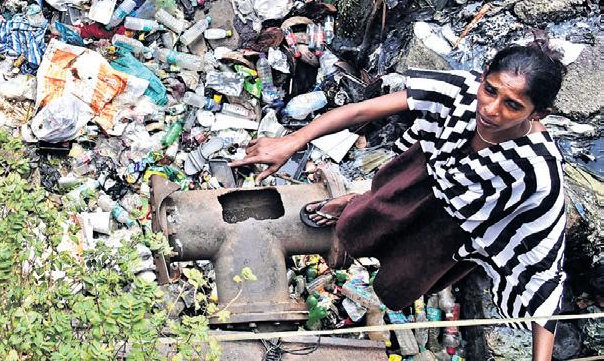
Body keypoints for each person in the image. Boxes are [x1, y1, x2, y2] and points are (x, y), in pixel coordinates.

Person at [232, 43, 567, 361]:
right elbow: (362, 111)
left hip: (452, 226)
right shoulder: (459, 94)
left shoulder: (535, 171)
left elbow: (542, 263)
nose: (491, 110)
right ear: (482, 78)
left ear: (540, 113)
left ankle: (364, 221)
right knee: (356, 228)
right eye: (490, 90)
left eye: (513, 105)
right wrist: (292, 140)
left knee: (396, 287)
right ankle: (355, 201)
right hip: (415, 180)